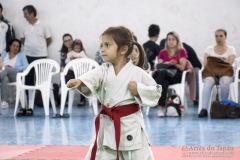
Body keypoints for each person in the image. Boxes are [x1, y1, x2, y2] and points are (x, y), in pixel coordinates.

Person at [67, 26, 162, 160]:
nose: (102, 49)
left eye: (107, 45)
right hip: (108, 123)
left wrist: (139, 89)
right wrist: (80, 82)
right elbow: (92, 77)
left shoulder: (137, 72)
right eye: (102, 45)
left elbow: (156, 91)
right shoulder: (103, 69)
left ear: (123, 49)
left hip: (130, 126)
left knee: (134, 154)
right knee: (104, 152)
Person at [198, 29, 236, 118]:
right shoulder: (209, 49)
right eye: (216, 36)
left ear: (225, 37)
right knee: (207, 82)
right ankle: (204, 109)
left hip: (226, 73)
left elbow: (229, 63)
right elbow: (206, 64)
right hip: (211, 73)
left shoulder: (231, 49)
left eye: (221, 36)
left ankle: (223, 107)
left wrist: (214, 61)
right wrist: (222, 61)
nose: (218, 38)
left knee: (225, 81)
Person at [153, 31, 187, 117]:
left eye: (173, 39)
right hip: (164, 75)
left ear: (177, 41)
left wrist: (174, 64)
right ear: (166, 41)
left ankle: (155, 93)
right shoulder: (162, 52)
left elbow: (182, 67)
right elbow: (160, 66)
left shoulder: (181, 51)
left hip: (176, 75)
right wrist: (168, 63)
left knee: (162, 75)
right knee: (164, 81)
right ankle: (160, 108)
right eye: (169, 39)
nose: (170, 41)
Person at [160, 39, 202, 105]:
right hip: (183, 67)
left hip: (194, 66)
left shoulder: (181, 49)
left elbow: (183, 65)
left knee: (195, 74)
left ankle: (196, 99)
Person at [20, 5, 52, 86]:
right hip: (27, 56)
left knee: (41, 78)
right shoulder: (24, 26)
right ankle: (29, 97)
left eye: (25, 14)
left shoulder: (43, 25)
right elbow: (22, 39)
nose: (24, 16)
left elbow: (49, 39)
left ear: (32, 13)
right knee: (28, 78)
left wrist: (40, 47)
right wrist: (30, 46)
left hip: (41, 55)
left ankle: (40, 97)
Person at [0, 39, 28, 108]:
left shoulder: (21, 55)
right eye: (14, 45)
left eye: (18, 46)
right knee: (5, 78)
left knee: (6, 68)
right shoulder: (4, 55)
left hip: (16, 75)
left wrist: (13, 68)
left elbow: (26, 66)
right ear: (10, 46)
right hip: (4, 74)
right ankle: (4, 102)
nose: (16, 48)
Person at [65, 39, 88, 106]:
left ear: (81, 47)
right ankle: (67, 96)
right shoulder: (70, 53)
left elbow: (87, 60)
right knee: (68, 76)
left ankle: (82, 99)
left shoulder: (82, 53)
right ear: (73, 47)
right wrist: (70, 59)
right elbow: (66, 62)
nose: (77, 49)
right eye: (76, 48)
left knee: (82, 85)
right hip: (72, 71)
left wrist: (80, 58)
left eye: (79, 48)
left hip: (81, 72)